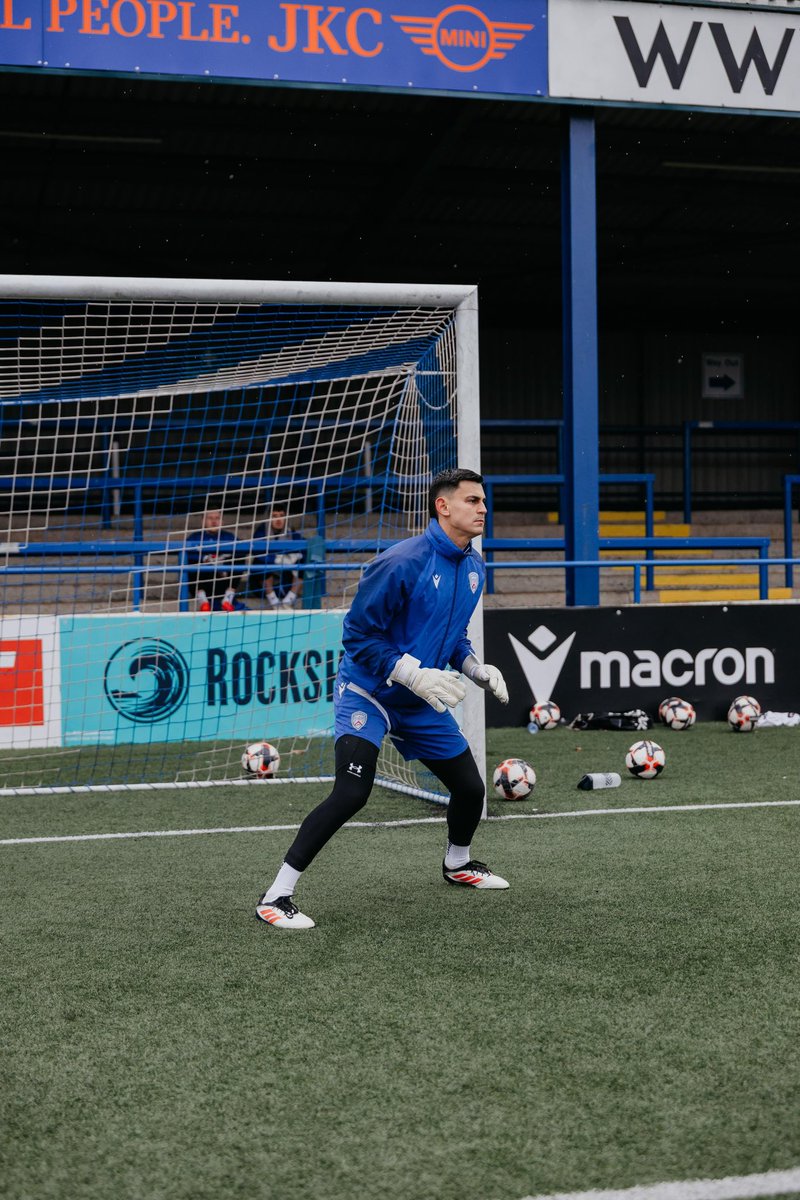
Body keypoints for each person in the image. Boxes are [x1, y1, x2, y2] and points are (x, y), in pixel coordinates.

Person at [256, 467, 510, 931]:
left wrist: (474, 669)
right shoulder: (401, 562)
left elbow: (454, 638)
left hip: (419, 702)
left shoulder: (474, 566)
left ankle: (458, 864)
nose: (482, 509)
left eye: (484, 501)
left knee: (471, 789)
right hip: (368, 693)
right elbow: (356, 636)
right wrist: (410, 672)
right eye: (472, 501)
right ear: (443, 506)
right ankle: (276, 895)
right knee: (352, 793)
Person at [184, 507, 247, 612]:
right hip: (204, 581)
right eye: (210, 518)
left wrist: (221, 560)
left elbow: (242, 551)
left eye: (217, 518)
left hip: (223, 579)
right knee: (189, 562)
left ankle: (228, 599)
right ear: (203, 520)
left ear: (222, 521)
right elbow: (187, 554)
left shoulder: (229, 536)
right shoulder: (195, 537)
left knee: (240, 559)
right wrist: (205, 559)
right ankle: (203, 601)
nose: (214, 521)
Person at [249, 505, 305, 609]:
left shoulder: (292, 533)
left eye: (281, 516)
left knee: (303, 562)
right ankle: (273, 601)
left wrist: (291, 558)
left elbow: (304, 549)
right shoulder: (261, 532)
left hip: (286, 579)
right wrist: (277, 559)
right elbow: (258, 554)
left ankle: (289, 600)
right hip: (262, 585)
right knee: (260, 562)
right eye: (274, 516)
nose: (278, 519)